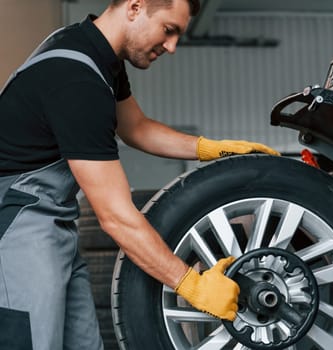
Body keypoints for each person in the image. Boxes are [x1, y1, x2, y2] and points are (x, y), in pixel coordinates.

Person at [0, 0, 280, 349]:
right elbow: (116, 218)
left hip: (53, 226)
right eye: (169, 30)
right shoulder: (76, 79)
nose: (173, 47)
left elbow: (136, 128)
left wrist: (211, 148)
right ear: (135, 7)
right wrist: (192, 285)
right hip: (16, 230)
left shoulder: (95, 54)